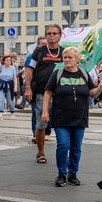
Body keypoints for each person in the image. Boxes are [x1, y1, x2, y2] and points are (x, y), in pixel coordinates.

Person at [42, 47, 102, 187]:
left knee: (76, 147)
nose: (67, 60)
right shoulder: (57, 74)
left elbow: (92, 93)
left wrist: (100, 87)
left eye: (70, 57)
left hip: (79, 117)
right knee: (63, 145)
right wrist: (45, 111)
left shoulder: (83, 73)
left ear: (77, 59)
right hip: (61, 117)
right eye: (65, 57)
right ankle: (62, 174)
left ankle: (73, 174)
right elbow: (47, 93)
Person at [24, 25, 64, 164]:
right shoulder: (39, 51)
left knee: (61, 123)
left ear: (60, 35)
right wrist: (28, 88)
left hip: (60, 94)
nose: (51, 35)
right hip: (41, 92)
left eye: (54, 33)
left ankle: (63, 150)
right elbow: (30, 70)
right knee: (41, 123)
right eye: (49, 33)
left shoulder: (64, 52)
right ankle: (40, 152)